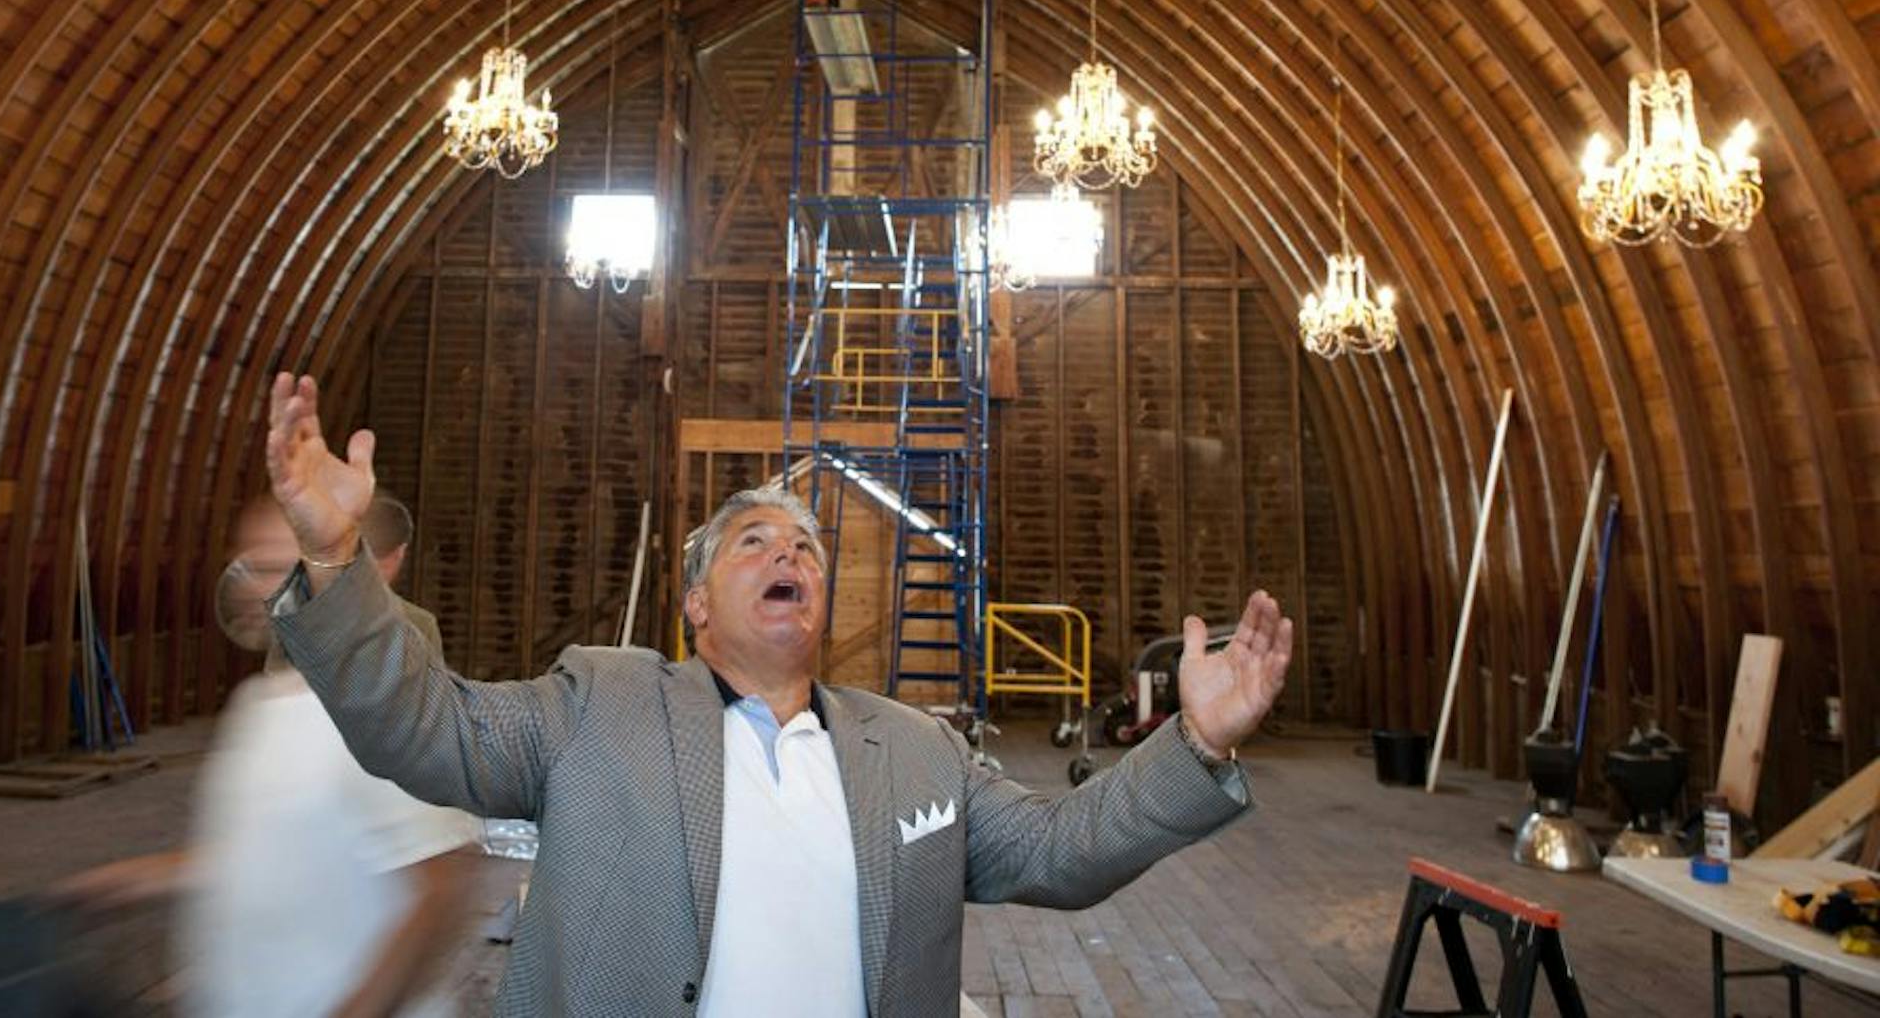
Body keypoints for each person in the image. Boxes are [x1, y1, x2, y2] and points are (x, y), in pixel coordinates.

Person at [264, 371, 1293, 1017]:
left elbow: (1061, 850)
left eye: (805, 546)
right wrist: (337, 556)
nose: (789, 552)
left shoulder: (917, 748)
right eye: (754, 541)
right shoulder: (596, 703)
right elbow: (424, 728)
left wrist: (1196, 742)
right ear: (695, 602)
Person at [178, 490, 488, 1018]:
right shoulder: (261, 702)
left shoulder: (386, 704)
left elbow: (440, 886)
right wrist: (122, 883)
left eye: (277, 565)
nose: (255, 586)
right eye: (251, 565)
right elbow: (250, 852)